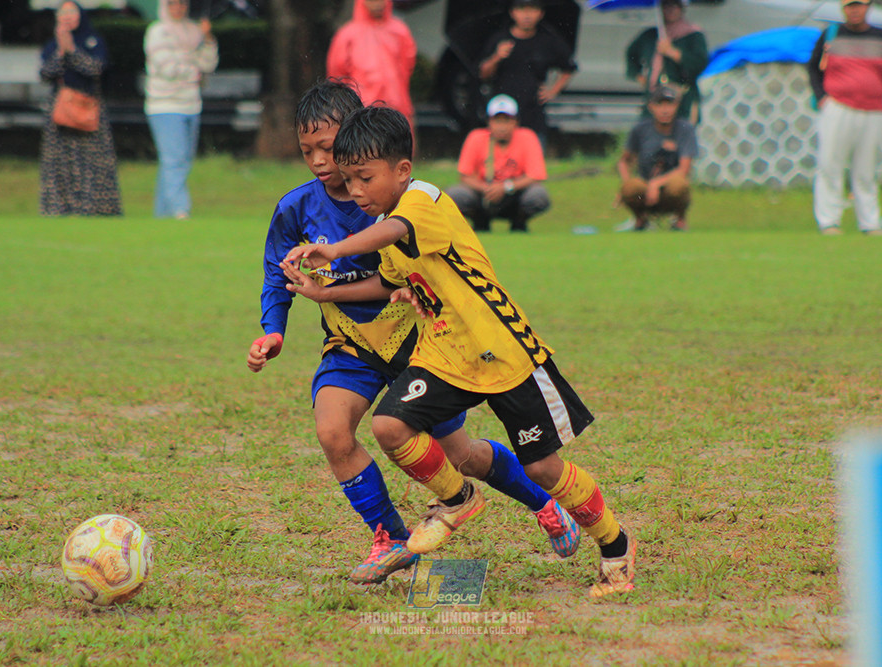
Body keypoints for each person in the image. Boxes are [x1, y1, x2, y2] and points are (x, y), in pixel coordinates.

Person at [282, 105, 636, 599]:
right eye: (349, 179)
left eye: (365, 177)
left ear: (402, 169)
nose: (355, 189)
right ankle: (458, 498)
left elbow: (395, 231)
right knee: (390, 426)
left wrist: (336, 250)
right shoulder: (385, 221)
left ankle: (616, 546)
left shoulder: (422, 200)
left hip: (501, 349)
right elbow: (386, 280)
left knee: (543, 468)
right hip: (444, 353)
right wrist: (326, 293)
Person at [808, 0, 882, 236]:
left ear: (868, 7)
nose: (855, 10)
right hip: (838, 106)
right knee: (830, 164)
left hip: (873, 110)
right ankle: (829, 221)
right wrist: (821, 97)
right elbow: (813, 68)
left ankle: (870, 223)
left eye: (859, 5)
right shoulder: (831, 34)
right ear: (843, 9)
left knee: (866, 170)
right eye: (850, 6)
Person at [39, 0, 122, 217]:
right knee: (59, 162)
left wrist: (73, 51)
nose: (67, 17)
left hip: (89, 108)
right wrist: (61, 52)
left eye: (72, 12)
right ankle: (59, 208)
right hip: (61, 111)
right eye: (63, 13)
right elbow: (45, 74)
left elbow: (96, 69)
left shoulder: (93, 41)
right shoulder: (51, 45)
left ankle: (96, 208)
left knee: (93, 162)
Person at [144, 0, 219, 220]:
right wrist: (194, 67)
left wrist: (207, 38)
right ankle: (180, 209)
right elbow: (168, 68)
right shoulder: (157, 31)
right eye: (173, 3)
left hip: (191, 104)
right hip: (164, 104)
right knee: (173, 159)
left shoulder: (194, 31)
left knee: (182, 160)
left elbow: (209, 63)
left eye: (182, 3)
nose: (178, 7)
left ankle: (162, 213)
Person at [478, 0, 577, 148]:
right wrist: (497, 57)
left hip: (533, 110)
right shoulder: (500, 39)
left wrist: (553, 90)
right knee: (502, 156)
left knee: (533, 152)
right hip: (504, 110)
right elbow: (483, 74)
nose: (527, 15)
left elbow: (569, 68)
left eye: (532, 9)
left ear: (541, 13)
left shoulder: (548, 40)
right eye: (522, 9)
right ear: (512, 13)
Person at [445, 94, 550, 233]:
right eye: (497, 121)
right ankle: (480, 221)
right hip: (483, 194)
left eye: (507, 121)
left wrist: (506, 187)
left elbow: (535, 176)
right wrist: (487, 189)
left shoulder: (527, 137)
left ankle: (519, 223)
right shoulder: (476, 137)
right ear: (489, 122)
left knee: (538, 195)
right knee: (455, 194)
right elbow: (465, 176)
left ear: (516, 122)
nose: (502, 127)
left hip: (514, 194)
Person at [326, 0, 417, 133]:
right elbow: (337, 78)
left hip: (396, 110)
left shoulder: (400, 31)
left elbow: (407, 68)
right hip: (361, 115)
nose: (378, 3)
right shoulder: (347, 35)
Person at [616, 85, 696, 232]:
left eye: (669, 105)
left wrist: (656, 184)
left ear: (676, 106)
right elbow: (624, 161)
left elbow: (684, 168)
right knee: (631, 188)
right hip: (645, 187)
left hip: (669, 188)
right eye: (660, 105)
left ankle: (679, 219)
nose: (665, 110)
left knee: (679, 184)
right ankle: (640, 219)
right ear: (651, 107)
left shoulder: (685, 129)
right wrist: (626, 183)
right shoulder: (640, 129)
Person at [625, 0, 708, 125]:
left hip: (682, 100)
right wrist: (639, 76)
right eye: (666, 6)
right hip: (655, 97)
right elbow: (631, 53)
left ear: (681, 8)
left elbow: (700, 63)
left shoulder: (693, 35)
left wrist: (673, 52)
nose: (670, 10)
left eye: (675, 6)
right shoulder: (651, 35)